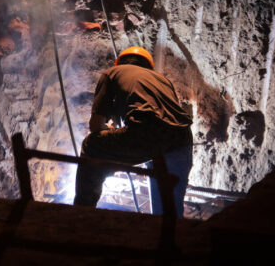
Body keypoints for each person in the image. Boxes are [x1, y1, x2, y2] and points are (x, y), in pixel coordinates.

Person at [73, 46, 193, 217]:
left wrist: (110, 138)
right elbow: (165, 123)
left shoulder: (112, 73)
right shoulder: (163, 80)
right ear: (148, 66)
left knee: (91, 145)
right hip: (183, 139)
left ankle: (80, 213)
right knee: (169, 208)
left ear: (119, 62)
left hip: (145, 132)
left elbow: (95, 126)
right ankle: (168, 237)